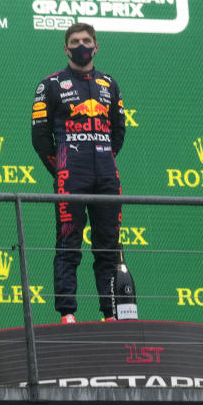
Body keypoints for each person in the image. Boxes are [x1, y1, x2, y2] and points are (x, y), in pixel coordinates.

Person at [32, 23, 126, 323]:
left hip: (107, 177)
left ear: (96, 46)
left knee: (108, 245)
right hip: (70, 176)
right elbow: (40, 137)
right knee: (68, 243)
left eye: (86, 40)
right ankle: (68, 313)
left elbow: (119, 132)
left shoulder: (109, 84)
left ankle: (111, 313)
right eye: (75, 41)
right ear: (65, 48)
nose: (81, 45)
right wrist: (61, 166)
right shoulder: (50, 85)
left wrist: (103, 158)